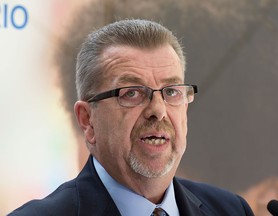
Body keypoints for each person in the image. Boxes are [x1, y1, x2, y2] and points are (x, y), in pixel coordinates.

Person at [9, 19, 254, 216]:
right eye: (132, 93)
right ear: (87, 120)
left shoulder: (231, 209)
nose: (158, 110)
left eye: (171, 92)